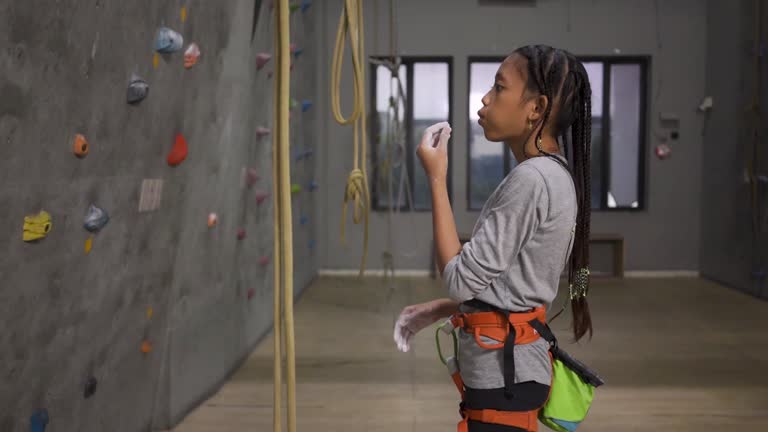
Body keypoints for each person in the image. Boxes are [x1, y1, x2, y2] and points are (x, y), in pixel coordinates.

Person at [393, 45, 594, 432]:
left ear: (536, 108)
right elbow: (508, 286)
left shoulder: (532, 180)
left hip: (506, 376)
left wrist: (436, 178)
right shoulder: (551, 176)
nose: (485, 99)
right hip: (512, 373)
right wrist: (440, 309)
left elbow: (458, 277)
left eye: (499, 88)